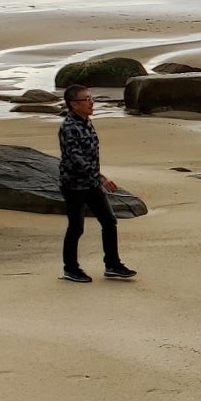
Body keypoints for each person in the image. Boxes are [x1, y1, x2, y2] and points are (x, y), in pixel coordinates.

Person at [58, 84, 136, 283]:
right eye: (86, 99)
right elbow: (77, 159)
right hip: (74, 186)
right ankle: (71, 269)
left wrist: (96, 179)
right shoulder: (69, 128)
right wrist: (101, 178)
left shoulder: (86, 122)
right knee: (76, 228)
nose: (91, 102)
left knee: (109, 221)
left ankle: (112, 265)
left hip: (91, 183)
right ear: (74, 105)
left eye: (91, 98)